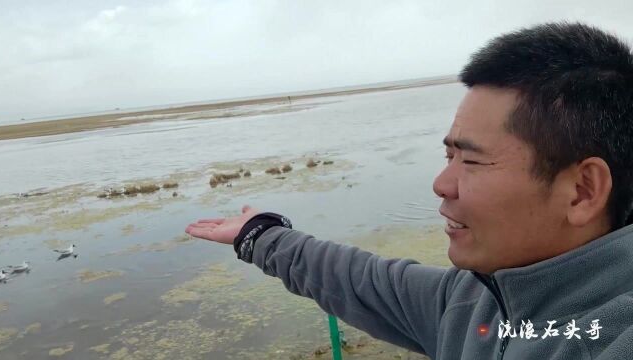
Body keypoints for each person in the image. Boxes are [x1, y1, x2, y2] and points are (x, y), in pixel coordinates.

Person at [186, 22, 633, 359]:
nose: (442, 184)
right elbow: (363, 281)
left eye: (472, 160)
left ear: (581, 191)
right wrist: (259, 235)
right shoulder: (474, 305)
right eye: (448, 156)